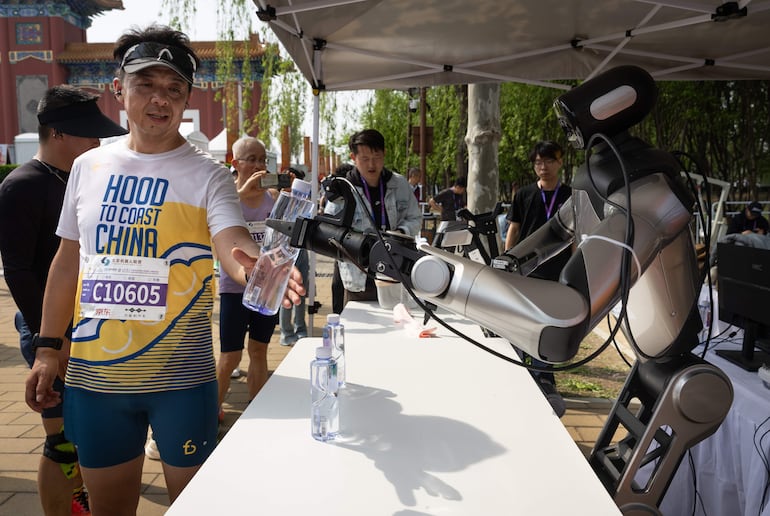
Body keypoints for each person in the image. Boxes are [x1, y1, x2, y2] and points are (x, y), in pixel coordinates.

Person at [24, 25, 304, 514]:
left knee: (195, 505)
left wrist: (251, 265)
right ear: (119, 89)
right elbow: (67, 263)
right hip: (96, 380)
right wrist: (49, 349)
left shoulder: (209, 174)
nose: (160, 99)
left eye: (174, 88)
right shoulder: (89, 168)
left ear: (187, 98)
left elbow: (231, 239)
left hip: (183, 379)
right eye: (146, 84)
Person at [0, 85, 127, 515]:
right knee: (62, 442)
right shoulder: (22, 186)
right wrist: (48, 340)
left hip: (93, 327)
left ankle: (84, 498)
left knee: (88, 435)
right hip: (52, 331)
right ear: (56, 133)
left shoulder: (83, 179)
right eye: (87, 133)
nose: (96, 142)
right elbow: (17, 269)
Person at [216, 136, 283, 423]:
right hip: (234, 288)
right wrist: (240, 194)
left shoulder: (274, 200)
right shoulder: (226, 198)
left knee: (259, 349)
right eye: (251, 159)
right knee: (230, 356)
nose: (258, 165)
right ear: (236, 163)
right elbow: (214, 241)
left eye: (262, 159)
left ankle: (260, 408)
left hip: (267, 288)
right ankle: (211, 412)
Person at [504, 140, 572, 417]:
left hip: (558, 269)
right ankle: (524, 372)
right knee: (523, 323)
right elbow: (514, 228)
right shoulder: (525, 194)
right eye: (538, 162)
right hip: (526, 269)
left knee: (549, 326)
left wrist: (578, 265)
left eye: (549, 161)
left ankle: (546, 377)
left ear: (560, 162)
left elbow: (576, 234)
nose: (543, 167)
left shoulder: (570, 195)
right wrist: (506, 259)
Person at [324, 129, 421, 304]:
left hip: (394, 274)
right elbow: (329, 232)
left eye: (376, 158)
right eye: (365, 159)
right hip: (358, 279)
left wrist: (399, 233)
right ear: (353, 158)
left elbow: (415, 218)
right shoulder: (343, 190)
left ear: (384, 154)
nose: (371, 165)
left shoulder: (399, 184)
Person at [279, 167, 309, 345]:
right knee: (286, 291)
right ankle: (286, 332)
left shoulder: (304, 200)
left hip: (301, 250)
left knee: (301, 290)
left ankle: (300, 328)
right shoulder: (278, 197)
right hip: (284, 249)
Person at [327, 163, 355, 314]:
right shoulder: (335, 199)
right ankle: (337, 315)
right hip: (341, 251)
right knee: (338, 285)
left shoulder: (358, 196)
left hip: (354, 249)